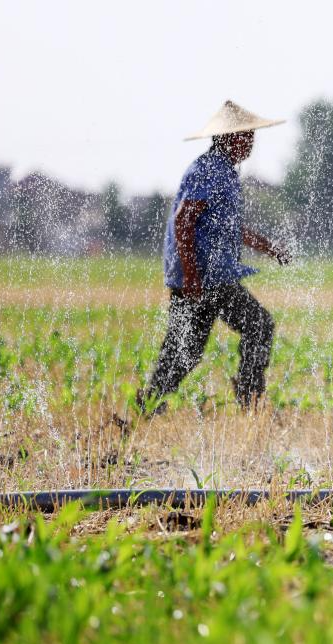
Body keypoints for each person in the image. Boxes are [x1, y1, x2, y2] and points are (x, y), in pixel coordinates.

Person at [137, 101, 291, 414]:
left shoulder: (225, 172)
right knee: (257, 325)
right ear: (228, 138)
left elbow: (230, 228)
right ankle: (249, 397)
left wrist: (269, 247)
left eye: (252, 135)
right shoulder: (208, 170)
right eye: (246, 135)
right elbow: (184, 220)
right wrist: (192, 275)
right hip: (203, 276)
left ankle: (150, 406)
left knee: (187, 349)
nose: (251, 142)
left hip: (213, 276)